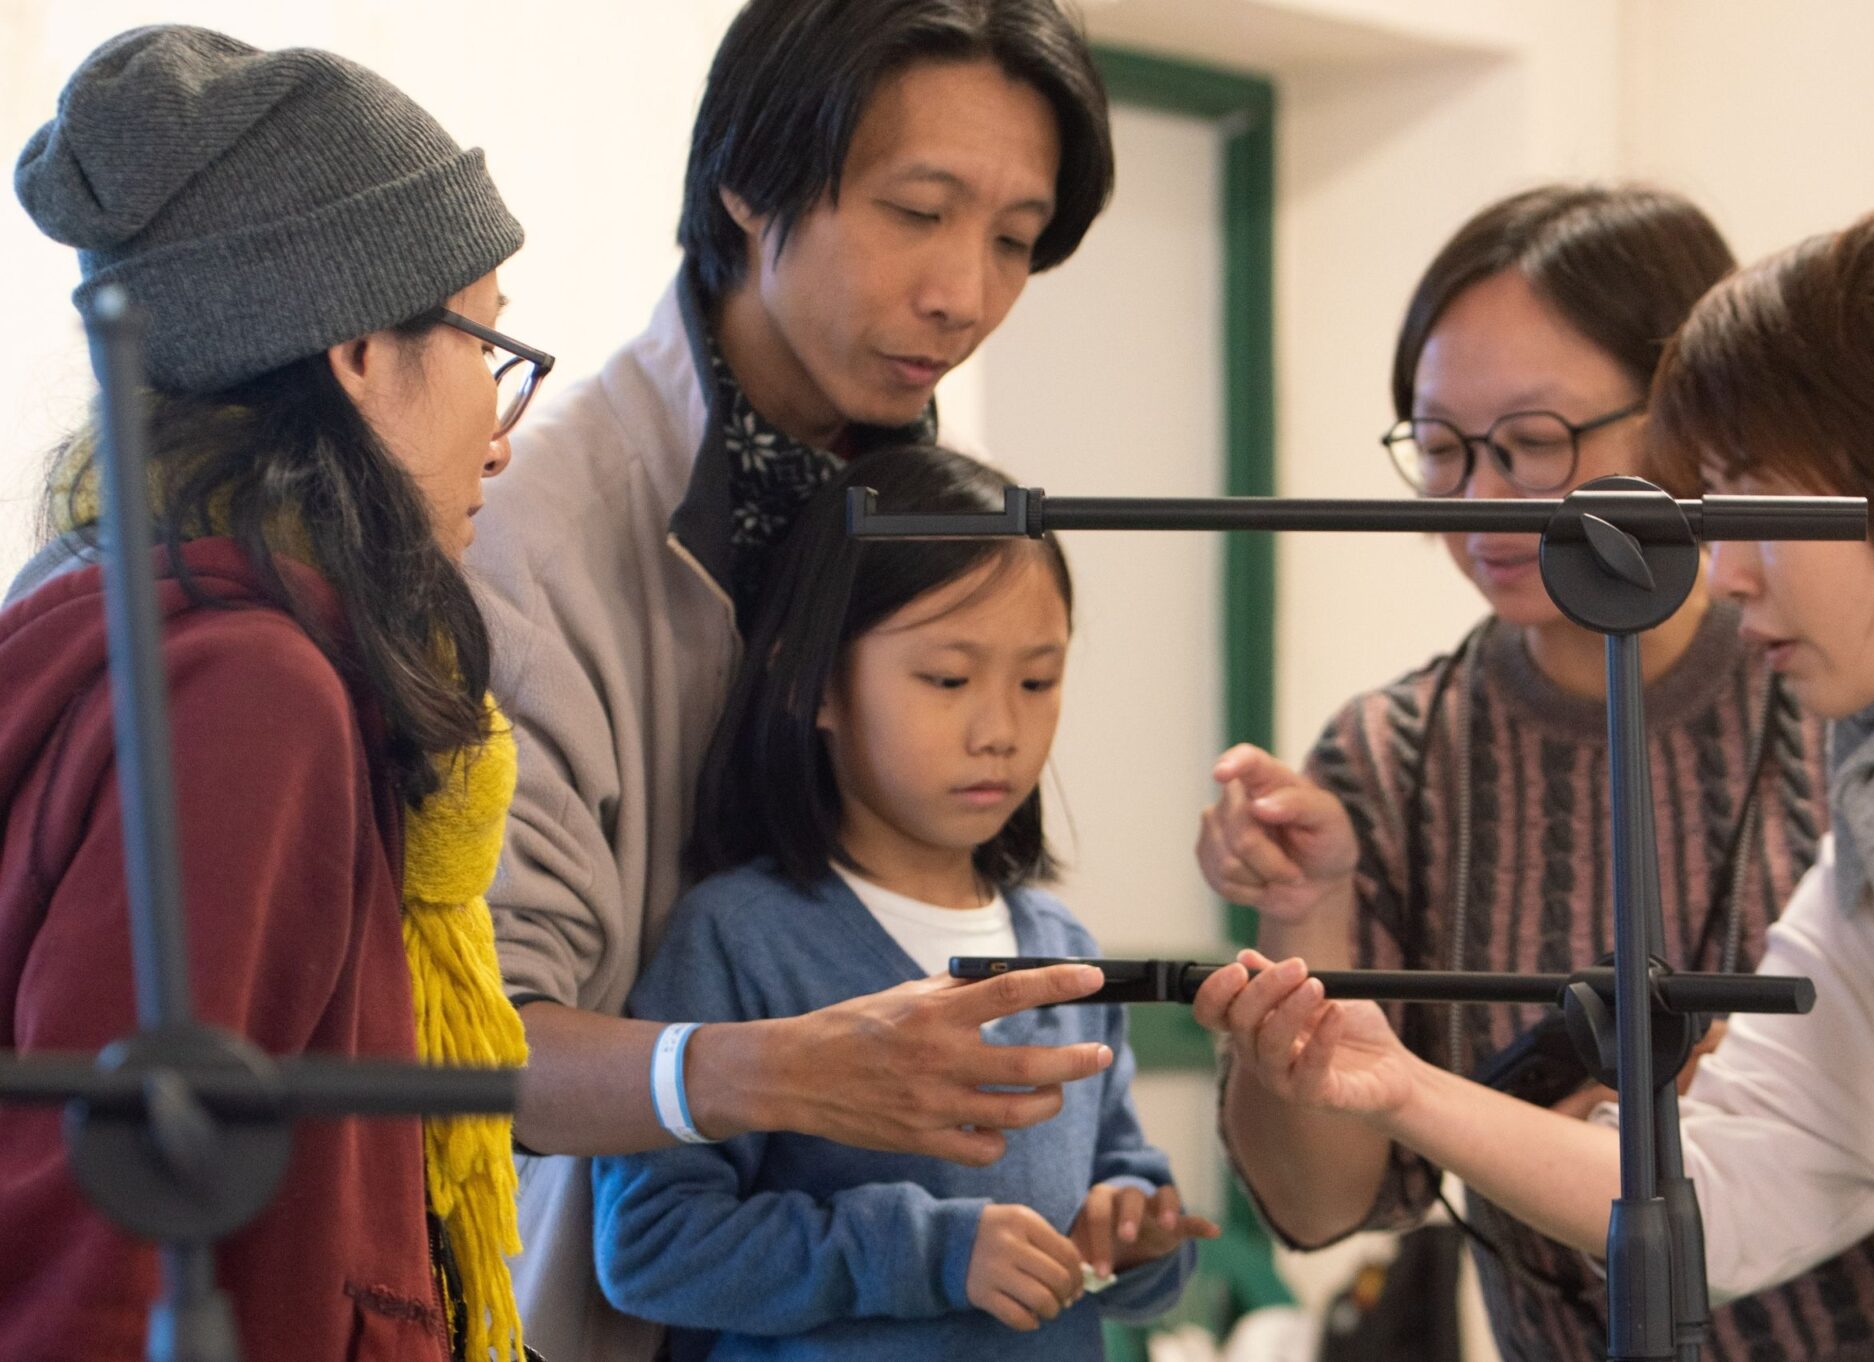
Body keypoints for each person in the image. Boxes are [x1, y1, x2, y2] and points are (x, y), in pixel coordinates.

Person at [1192, 206, 1874, 1355]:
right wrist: (1397, 1084)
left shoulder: (1834, 746)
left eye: (1534, 439)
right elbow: (1720, 1191)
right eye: (1442, 447)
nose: (1725, 563)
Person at [465, 1, 1120, 1355]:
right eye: (917, 211)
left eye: (1014, 238)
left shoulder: (938, 511)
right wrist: (784, 1067)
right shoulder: (538, 532)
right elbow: (475, 1047)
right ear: (749, 184)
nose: (967, 293)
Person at [2, 25, 539, 1362]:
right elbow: (107, 1217)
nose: (505, 418)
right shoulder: (250, 693)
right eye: (487, 337)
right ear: (358, 349)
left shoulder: (135, 621)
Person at [589, 444, 1215, 1358]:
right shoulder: (743, 939)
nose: (1000, 730)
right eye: (948, 680)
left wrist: (1130, 1233)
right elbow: (651, 1248)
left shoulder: (1062, 948)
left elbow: (1119, 1190)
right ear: (815, 683)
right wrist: (929, 1253)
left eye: (1038, 681)